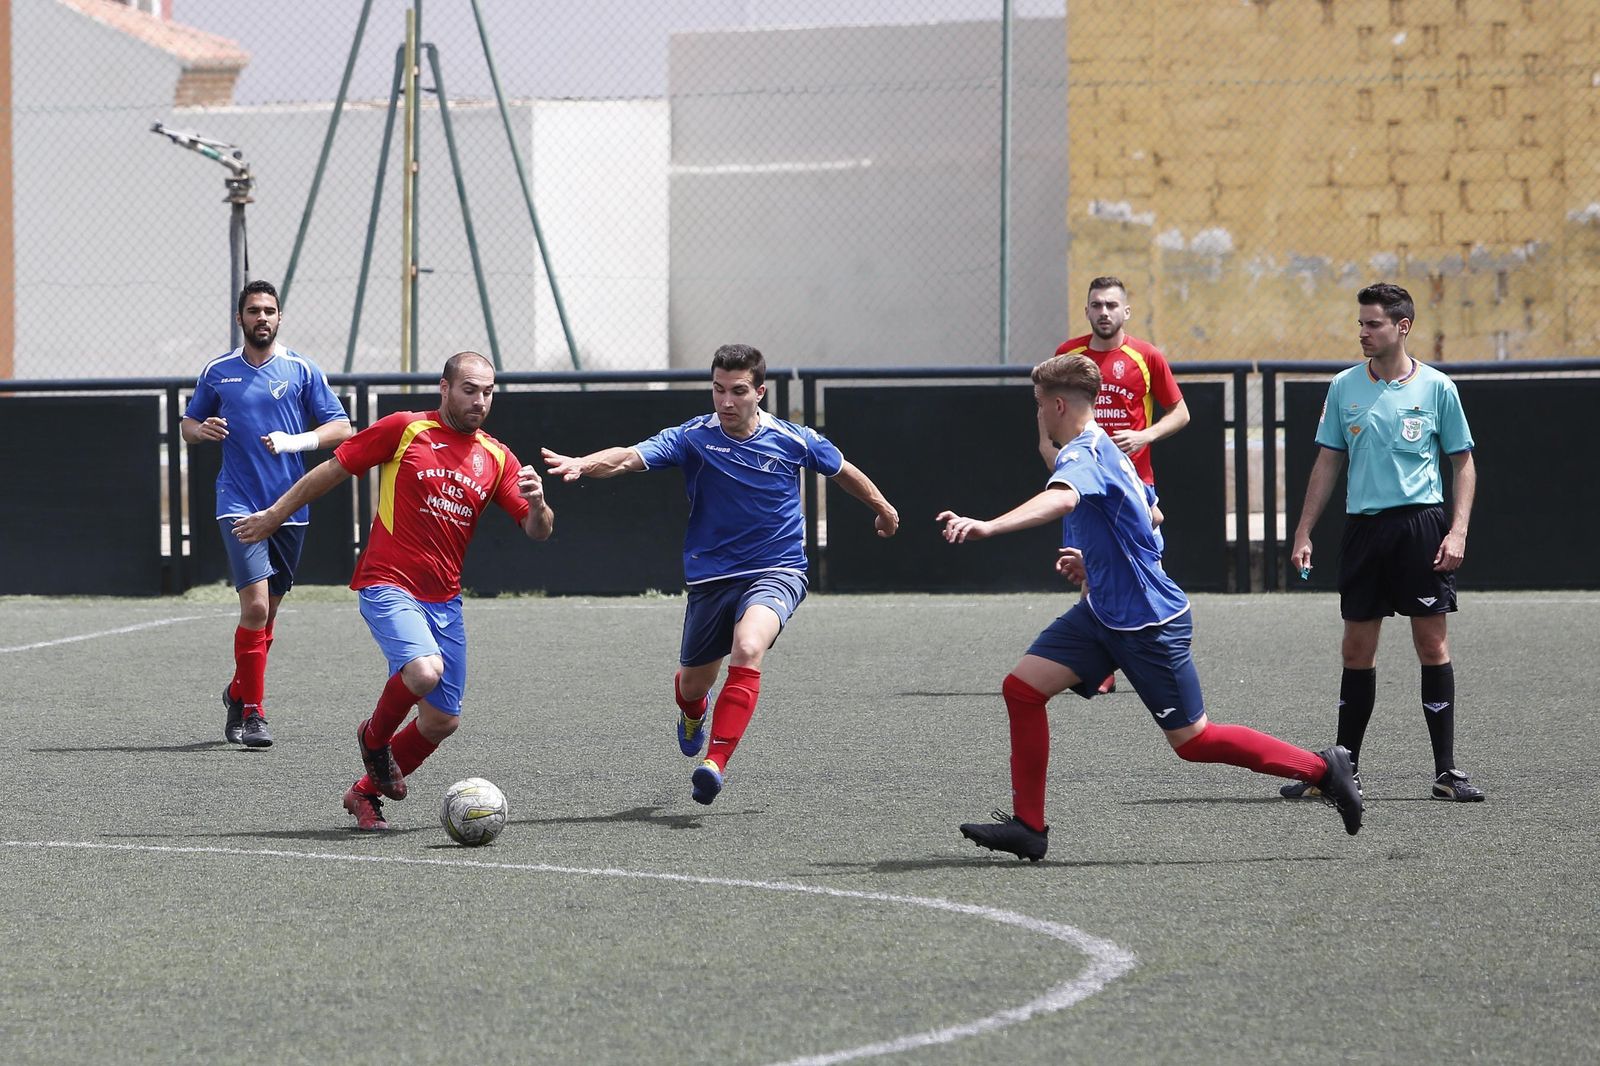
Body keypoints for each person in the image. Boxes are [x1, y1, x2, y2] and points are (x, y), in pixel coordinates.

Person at [937, 353, 1362, 862]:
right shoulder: (1111, 451)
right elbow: (1150, 515)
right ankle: (1030, 826)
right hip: (1102, 613)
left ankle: (1322, 769)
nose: (1037, 414)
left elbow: (1064, 501)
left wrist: (988, 526)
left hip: (1149, 624)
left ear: (1055, 405)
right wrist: (1095, 564)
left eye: (1036, 404)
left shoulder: (1083, 454)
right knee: (1022, 690)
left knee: (1194, 741)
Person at [541, 343, 899, 806]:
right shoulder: (693, 437)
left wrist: (885, 509)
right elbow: (630, 456)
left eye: (738, 391)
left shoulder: (793, 439)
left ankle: (715, 763)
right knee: (692, 686)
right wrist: (583, 464)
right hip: (712, 579)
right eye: (718, 390)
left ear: (760, 393)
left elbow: (842, 470)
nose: (726, 401)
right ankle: (693, 714)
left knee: (748, 647)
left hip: (778, 568)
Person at [234, 351, 553, 831]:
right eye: (469, 389)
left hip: (444, 599)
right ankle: (373, 737)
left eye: (488, 392)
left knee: (442, 722)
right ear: (444, 389)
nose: (480, 401)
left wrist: (539, 503)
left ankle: (363, 794)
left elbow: (537, 531)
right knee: (424, 672)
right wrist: (276, 514)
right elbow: (333, 469)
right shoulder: (405, 428)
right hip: (387, 583)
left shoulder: (497, 457)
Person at [1284, 282, 1482, 803]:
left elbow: (1462, 462)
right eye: (1361, 324)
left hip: (1421, 527)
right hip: (1364, 531)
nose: (1364, 333)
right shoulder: (1344, 386)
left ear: (1402, 326)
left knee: (1432, 645)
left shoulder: (1438, 388)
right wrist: (1304, 530)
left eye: (1373, 324)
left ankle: (1446, 772)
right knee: (1356, 649)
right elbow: (1328, 460)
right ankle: (1345, 770)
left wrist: (1457, 530)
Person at [181, 280, 352, 748]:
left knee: (269, 613)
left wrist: (298, 441)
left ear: (279, 318)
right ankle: (254, 712)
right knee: (255, 606)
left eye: (269, 310)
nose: (262, 317)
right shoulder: (219, 371)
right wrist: (202, 429)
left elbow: (341, 427)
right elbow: (188, 425)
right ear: (240, 318)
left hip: (290, 506)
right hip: (236, 500)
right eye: (253, 310)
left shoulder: (301, 369)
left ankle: (239, 691)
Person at [1055, 275, 1189, 693]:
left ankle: (1156, 655)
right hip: (1086, 484)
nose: (1104, 312)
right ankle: (1096, 666)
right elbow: (1047, 411)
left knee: (1143, 567)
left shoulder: (1146, 356)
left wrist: (1146, 436)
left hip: (1135, 485)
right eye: (1096, 305)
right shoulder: (1068, 355)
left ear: (1125, 311)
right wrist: (1054, 455)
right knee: (1089, 569)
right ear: (1087, 310)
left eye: (1112, 305)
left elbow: (1180, 412)